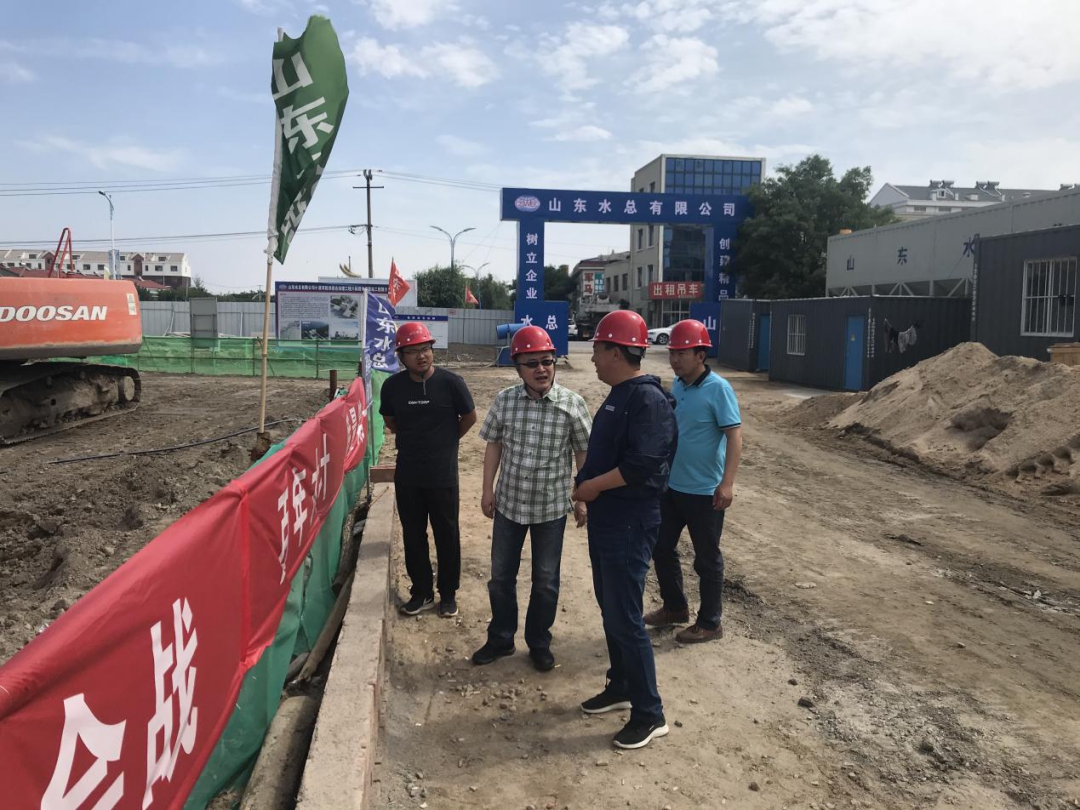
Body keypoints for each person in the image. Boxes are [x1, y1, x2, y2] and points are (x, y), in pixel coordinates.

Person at [572, 310, 677, 750]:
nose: (592, 357)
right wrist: (585, 489)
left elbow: (640, 465)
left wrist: (592, 486)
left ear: (616, 352)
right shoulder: (620, 395)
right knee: (610, 607)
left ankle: (650, 713)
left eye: (597, 349)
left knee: (626, 615)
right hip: (608, 519)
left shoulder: (647, 400)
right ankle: (621, 685)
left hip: (630, 521)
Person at [472, 325, 592, 672]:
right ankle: (501, 638)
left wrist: (582, 498)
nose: (541, 369)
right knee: (500, 577)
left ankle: (539, 642)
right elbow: (494, 445)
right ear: (517, 368)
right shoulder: (505, 400)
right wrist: (487, 489)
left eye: (547, 361)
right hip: (509, 504)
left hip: (550, 508)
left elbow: (583, 453)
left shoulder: (572, 404)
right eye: (532, 363)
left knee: (546, 580)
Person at [646, 319, 742, 643]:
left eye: (681, 353)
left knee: (707, 559)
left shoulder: (719, 389)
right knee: (661, 547)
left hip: (705, 492)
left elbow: (734, 436)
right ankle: (675, 608)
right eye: (672, 352)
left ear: (700, 355)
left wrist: (727, 484)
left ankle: (711, 622)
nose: (674, 359)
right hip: (673, 487)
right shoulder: (678, 384)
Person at [379, 321, 477, 618]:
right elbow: (390, 421)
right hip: (408, 474)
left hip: (442, 476)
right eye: (413, 351)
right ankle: (421, 591)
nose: (421, 356)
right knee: (413, 535)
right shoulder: (393, 387)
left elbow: (469, 417)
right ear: (401, 356)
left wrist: (446, 441)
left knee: (447, 534)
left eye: (425, 349)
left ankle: (448, 594)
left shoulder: (451, 383)